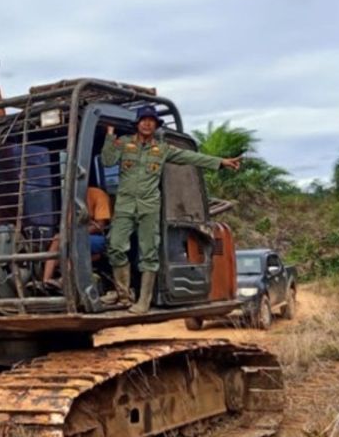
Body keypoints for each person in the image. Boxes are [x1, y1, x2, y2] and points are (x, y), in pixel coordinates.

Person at [102, 105, 241, 314]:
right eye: (144, 120)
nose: (147, 123)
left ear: (156, 125)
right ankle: (123, 296)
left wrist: (220, 162)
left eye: (152, 120)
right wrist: (110, 135)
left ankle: (143, 302)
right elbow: (107, 160)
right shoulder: (124, 144)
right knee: (116, 247)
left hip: (149, 206)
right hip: (125, 206)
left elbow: (191, 157)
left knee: (148, 253)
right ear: (137, 124)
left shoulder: (163, 149)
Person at [41, 186, 111, 286]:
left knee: (73, 250)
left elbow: (100, 226)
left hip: (97, 238)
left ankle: (65, 282)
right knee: (57, 239)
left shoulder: (98, 194)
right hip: (76, 235)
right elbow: (69, 225)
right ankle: (46, 280)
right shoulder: (71, 199)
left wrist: (76, 233)